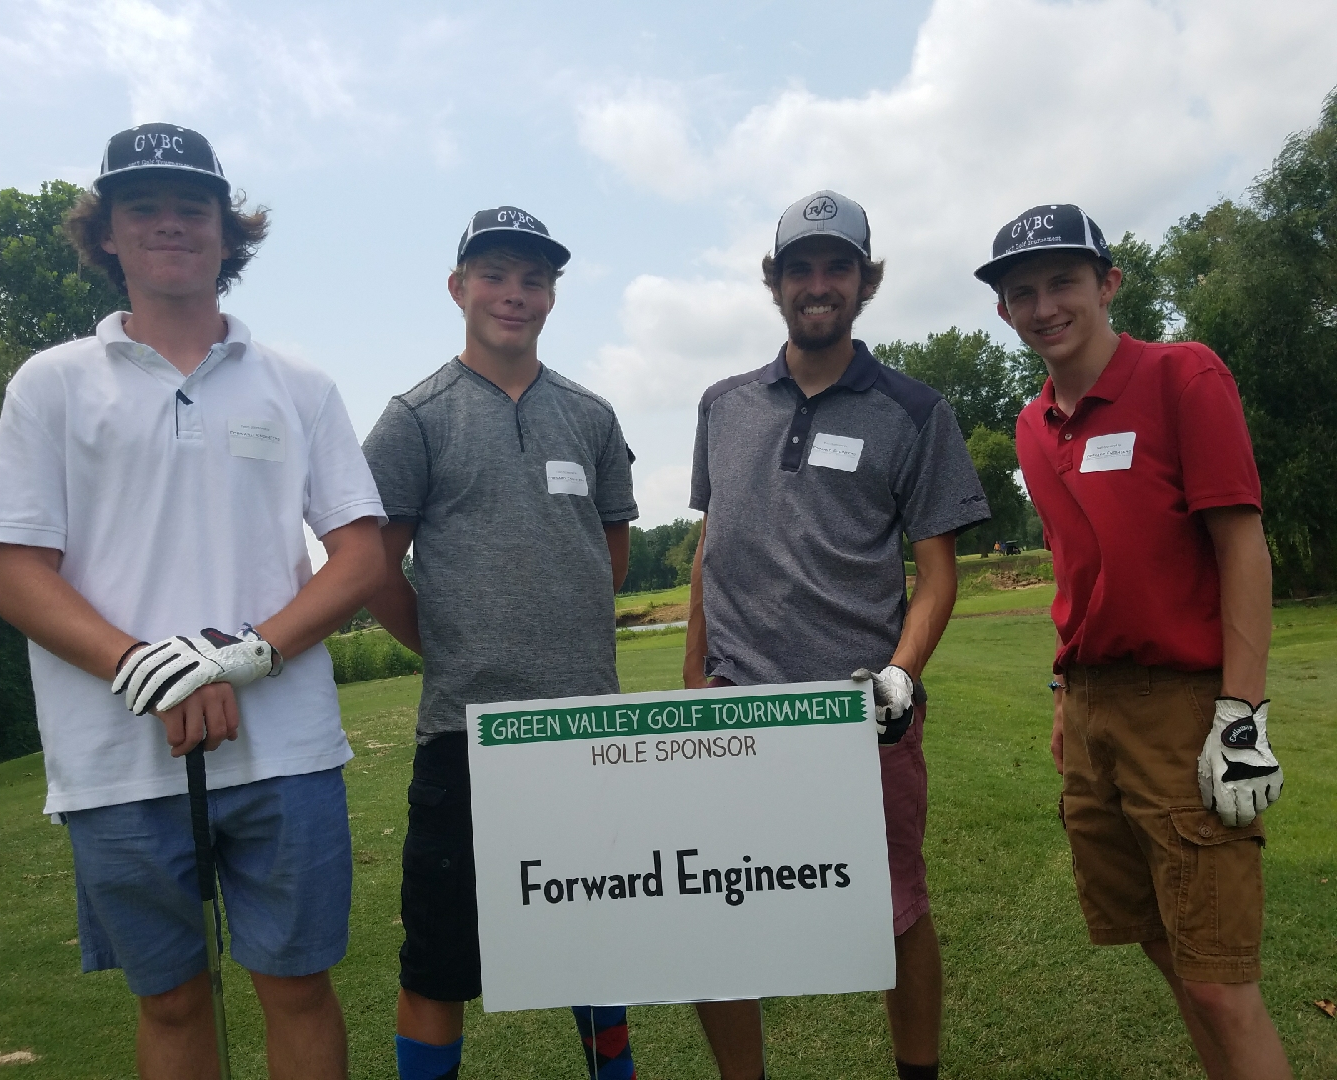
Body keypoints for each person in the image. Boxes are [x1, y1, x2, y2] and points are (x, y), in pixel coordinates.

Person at [0, 123, 386, 1080]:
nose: (169, 224)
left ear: (227, 232)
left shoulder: (298, 383)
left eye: (192, 208)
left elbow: (359, 557)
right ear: (107, 232)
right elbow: (15, 571)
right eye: (142, 207)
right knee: (169, 1002)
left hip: (283, 746)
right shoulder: (50, 384)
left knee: (298, 987)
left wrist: (234, 657)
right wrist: (141, 665)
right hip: (115, 756)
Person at [975, 204, 1290, 1079]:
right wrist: (1062, 696)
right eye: (1022, 292)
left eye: (1064, 282)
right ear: (1004, 312)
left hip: (1186, 707)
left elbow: (1241, 546)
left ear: (1109, 284)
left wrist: (1242, 715)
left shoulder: (1183, 376)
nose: (1044, 306)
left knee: (1222, 980)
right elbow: (1081, 576)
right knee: (1164, 951)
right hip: (1092, 707)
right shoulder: (1033, 426)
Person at [685, 190, 990, 1080]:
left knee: (894, 909)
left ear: (865, 281)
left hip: (861, 713)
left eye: (838, 268)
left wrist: (900, 674)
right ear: (774, 282)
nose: (818, 285)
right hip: (736, 710)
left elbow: (937, 574)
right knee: (716, 908)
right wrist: (694, 677)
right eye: (801, 269)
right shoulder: (724, 404)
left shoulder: (914, 410)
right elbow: (714, 544)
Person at [362, 206, 641, 1080]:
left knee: (597, 952)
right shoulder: (414, 417)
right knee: (438, 965)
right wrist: (450, 647)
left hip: (588, 737)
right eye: (495, 275)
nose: (514, 294)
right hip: (464, 738)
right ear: (459, 288)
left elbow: (612, 559)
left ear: (552, 296)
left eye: (534, 278)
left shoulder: (591, 416)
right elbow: (373, 569)